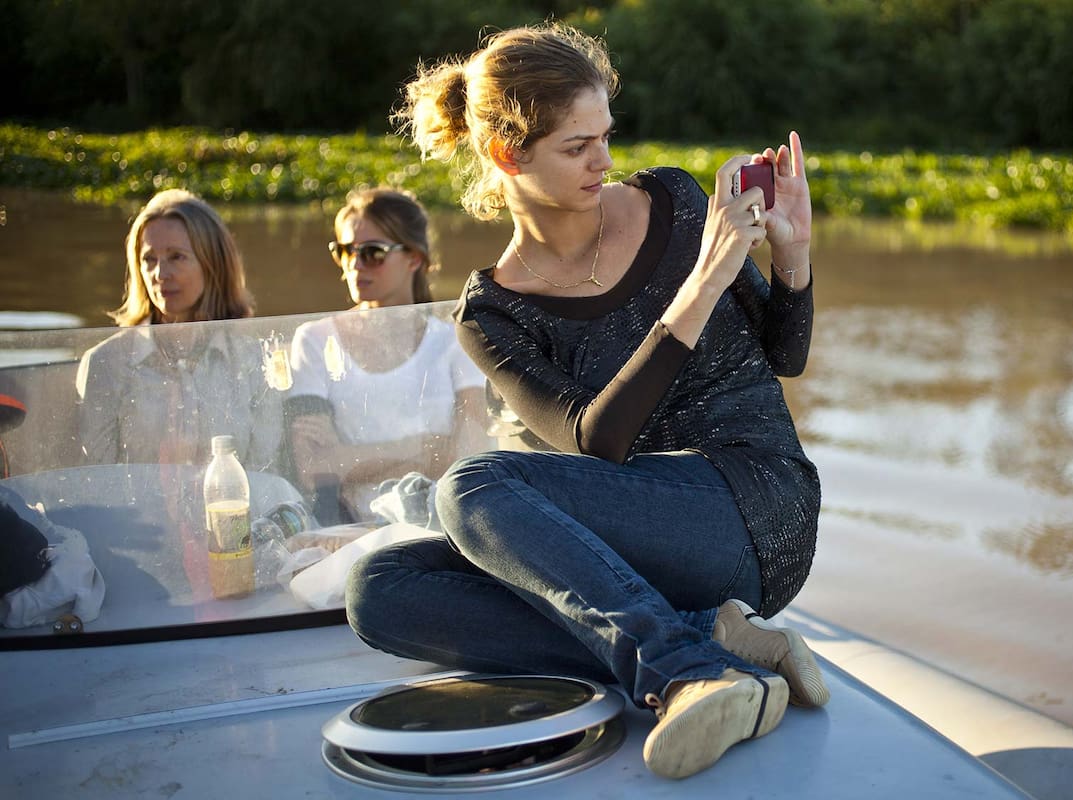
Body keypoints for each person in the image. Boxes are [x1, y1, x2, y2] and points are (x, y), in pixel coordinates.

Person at [345, 23, 829, 780]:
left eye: (605, 135)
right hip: (644, 537)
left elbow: (784, 355)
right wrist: (701, 284)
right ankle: (708, 638)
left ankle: (681, 673)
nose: (603, 161)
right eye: (577, 147)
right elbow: (594, 441)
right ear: (509, 155)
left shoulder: (671, 199)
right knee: (381, 589)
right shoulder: (492, 313)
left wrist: (791, 254)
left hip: (753, 505)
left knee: (473, 484)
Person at [286, 188, 489, 521]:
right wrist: (422, 446)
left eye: (373, 253)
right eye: (345, 251)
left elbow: (468, 458)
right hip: (348, 528)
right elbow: (314, 468)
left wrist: (347, 456)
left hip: (436, 522)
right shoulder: (314, 340)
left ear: (415, 257)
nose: (355, 265)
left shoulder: (455, 342)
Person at [75, 189, 282, 470]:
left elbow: (267, 474)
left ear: (213, 264)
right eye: (149, 259)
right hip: (134, 515)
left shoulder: (255, 360)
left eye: (177, 257)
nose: (160, 274)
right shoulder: (106, 362)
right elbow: (98, 482)